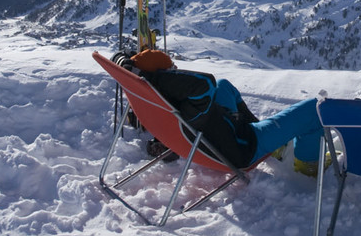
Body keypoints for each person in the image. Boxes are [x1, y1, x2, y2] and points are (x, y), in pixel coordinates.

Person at [114, 49, 327, 176]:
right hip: (243, 148)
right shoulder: (191, 103)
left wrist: (132, 67)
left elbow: (210, 85)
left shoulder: (166, 102)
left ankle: (275, 143)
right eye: (173, 70)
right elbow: (206, 82)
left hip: (213, 133)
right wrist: (154, 77)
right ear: (164, 77)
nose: (177, 71)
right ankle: (308, 166)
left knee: (224, 86)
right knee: (313, 110)